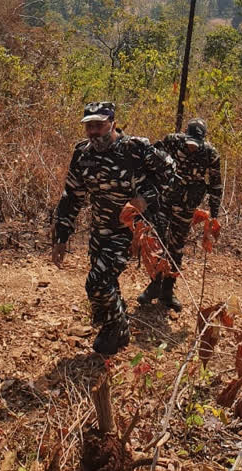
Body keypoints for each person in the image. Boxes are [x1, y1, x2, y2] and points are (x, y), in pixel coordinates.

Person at [51, 102, 175, 355]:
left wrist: (144, 198)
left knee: (97, 282)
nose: (94, 132)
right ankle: (118, 329)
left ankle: (114, 328)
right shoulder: (83, 154)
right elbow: (72, 196)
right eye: (89, 127)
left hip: (131, 229)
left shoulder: (135, 148)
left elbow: (170, 172)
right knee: (108, 283)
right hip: (101, 228)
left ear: (113, 124)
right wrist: (61, 237)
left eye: (99, 125)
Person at [136, 119, 222, 311]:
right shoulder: (171, 141)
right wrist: (146, 189)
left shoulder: (211, 153)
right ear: (184, 135)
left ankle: (167, 290)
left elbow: (216, 184)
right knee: (158, 242)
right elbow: (150, 159)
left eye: (195, 144)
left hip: (187, 205)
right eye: (189, 142)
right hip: (164, 200)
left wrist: (213, 215)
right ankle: (154, 286)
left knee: (176, 245)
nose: (191, 147)